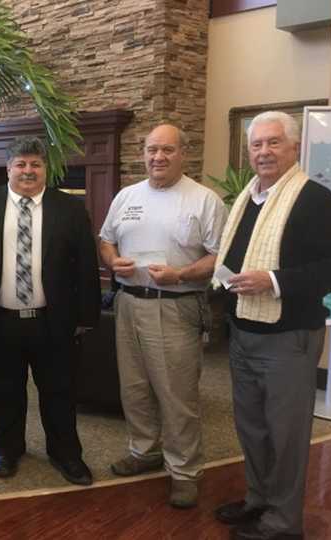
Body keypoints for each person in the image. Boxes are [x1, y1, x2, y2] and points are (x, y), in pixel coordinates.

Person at [212, 112, 331, 540]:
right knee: (251, 426)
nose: (264, 152)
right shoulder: (247, 199)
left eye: (273, 143)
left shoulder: (315, 199)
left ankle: (284, 523)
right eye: (256, 145)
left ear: (294, 147)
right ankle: (259, 500)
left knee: (287, 434)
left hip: (288, 339)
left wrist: (271, 282)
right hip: (244, 333)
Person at [0, 135, 101, 486]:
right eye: (20, 164)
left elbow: (85, 264)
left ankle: (66, 453)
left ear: (46, 170)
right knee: (2, 391)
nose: (27, 170)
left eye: (35, 164)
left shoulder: (68, 208)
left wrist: (85, 316)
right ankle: (7, 449)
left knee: (59, 391)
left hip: (52, 322)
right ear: (7, 168)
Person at [99, 124, 227, 508]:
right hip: (128, 304)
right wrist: (111, 261)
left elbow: (221, 256)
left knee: (176, 393)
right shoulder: (126, 196)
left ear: (182, 153)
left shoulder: (204, 200)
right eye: (152, 150)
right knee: (134, 387)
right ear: (144, 152)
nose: (158, 157)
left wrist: (181, 275)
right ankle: (144, 450)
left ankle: (185, 470)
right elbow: (106, 239)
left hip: (175, 306)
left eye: (167, 150)